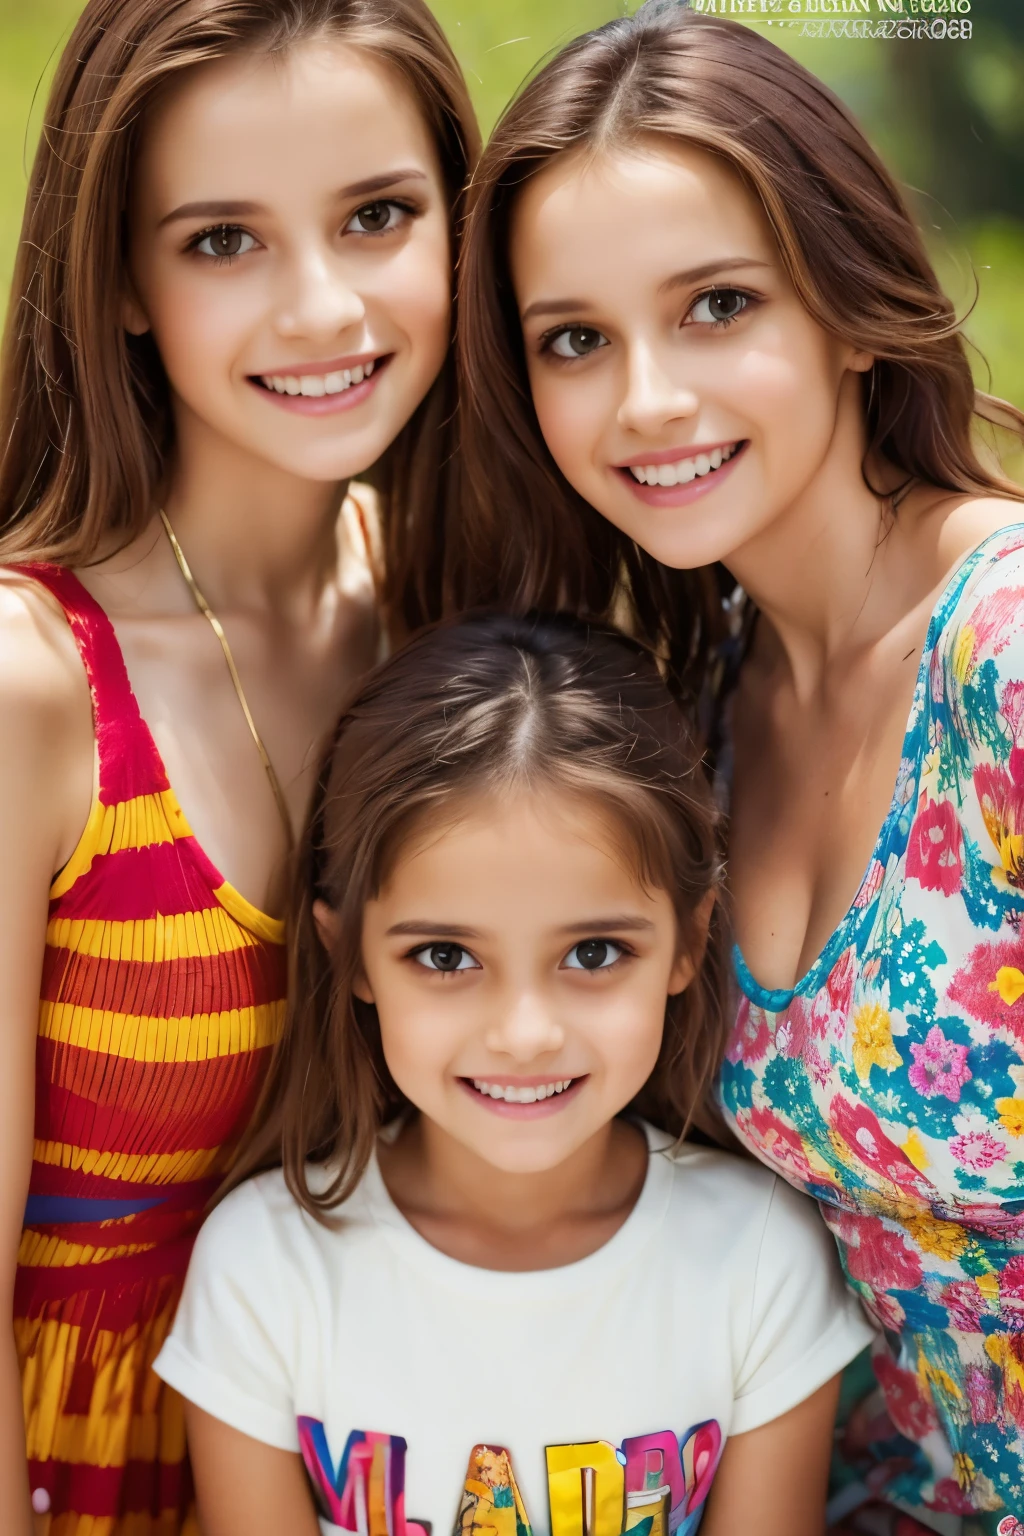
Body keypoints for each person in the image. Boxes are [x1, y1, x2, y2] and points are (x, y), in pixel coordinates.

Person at [454, 5, 1024, 1533]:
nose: (646, 397)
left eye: (715, 306)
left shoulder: (1007, 658)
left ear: (845, 305)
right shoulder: (692, 711)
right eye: (576, 338)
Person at [0, 0, 478, 1530]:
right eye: (223, 242)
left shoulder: (450, 615)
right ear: (122, 281)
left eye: (379, 216)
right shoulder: (33, 687)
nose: (323, 307)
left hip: (368, 1462)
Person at [153, 611, 875, 1536]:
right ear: (355, 958)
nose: (525, 1034)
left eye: (596, 951)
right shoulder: (264, 1272)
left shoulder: (758, 1258)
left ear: (691, 944)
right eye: (448, 958)